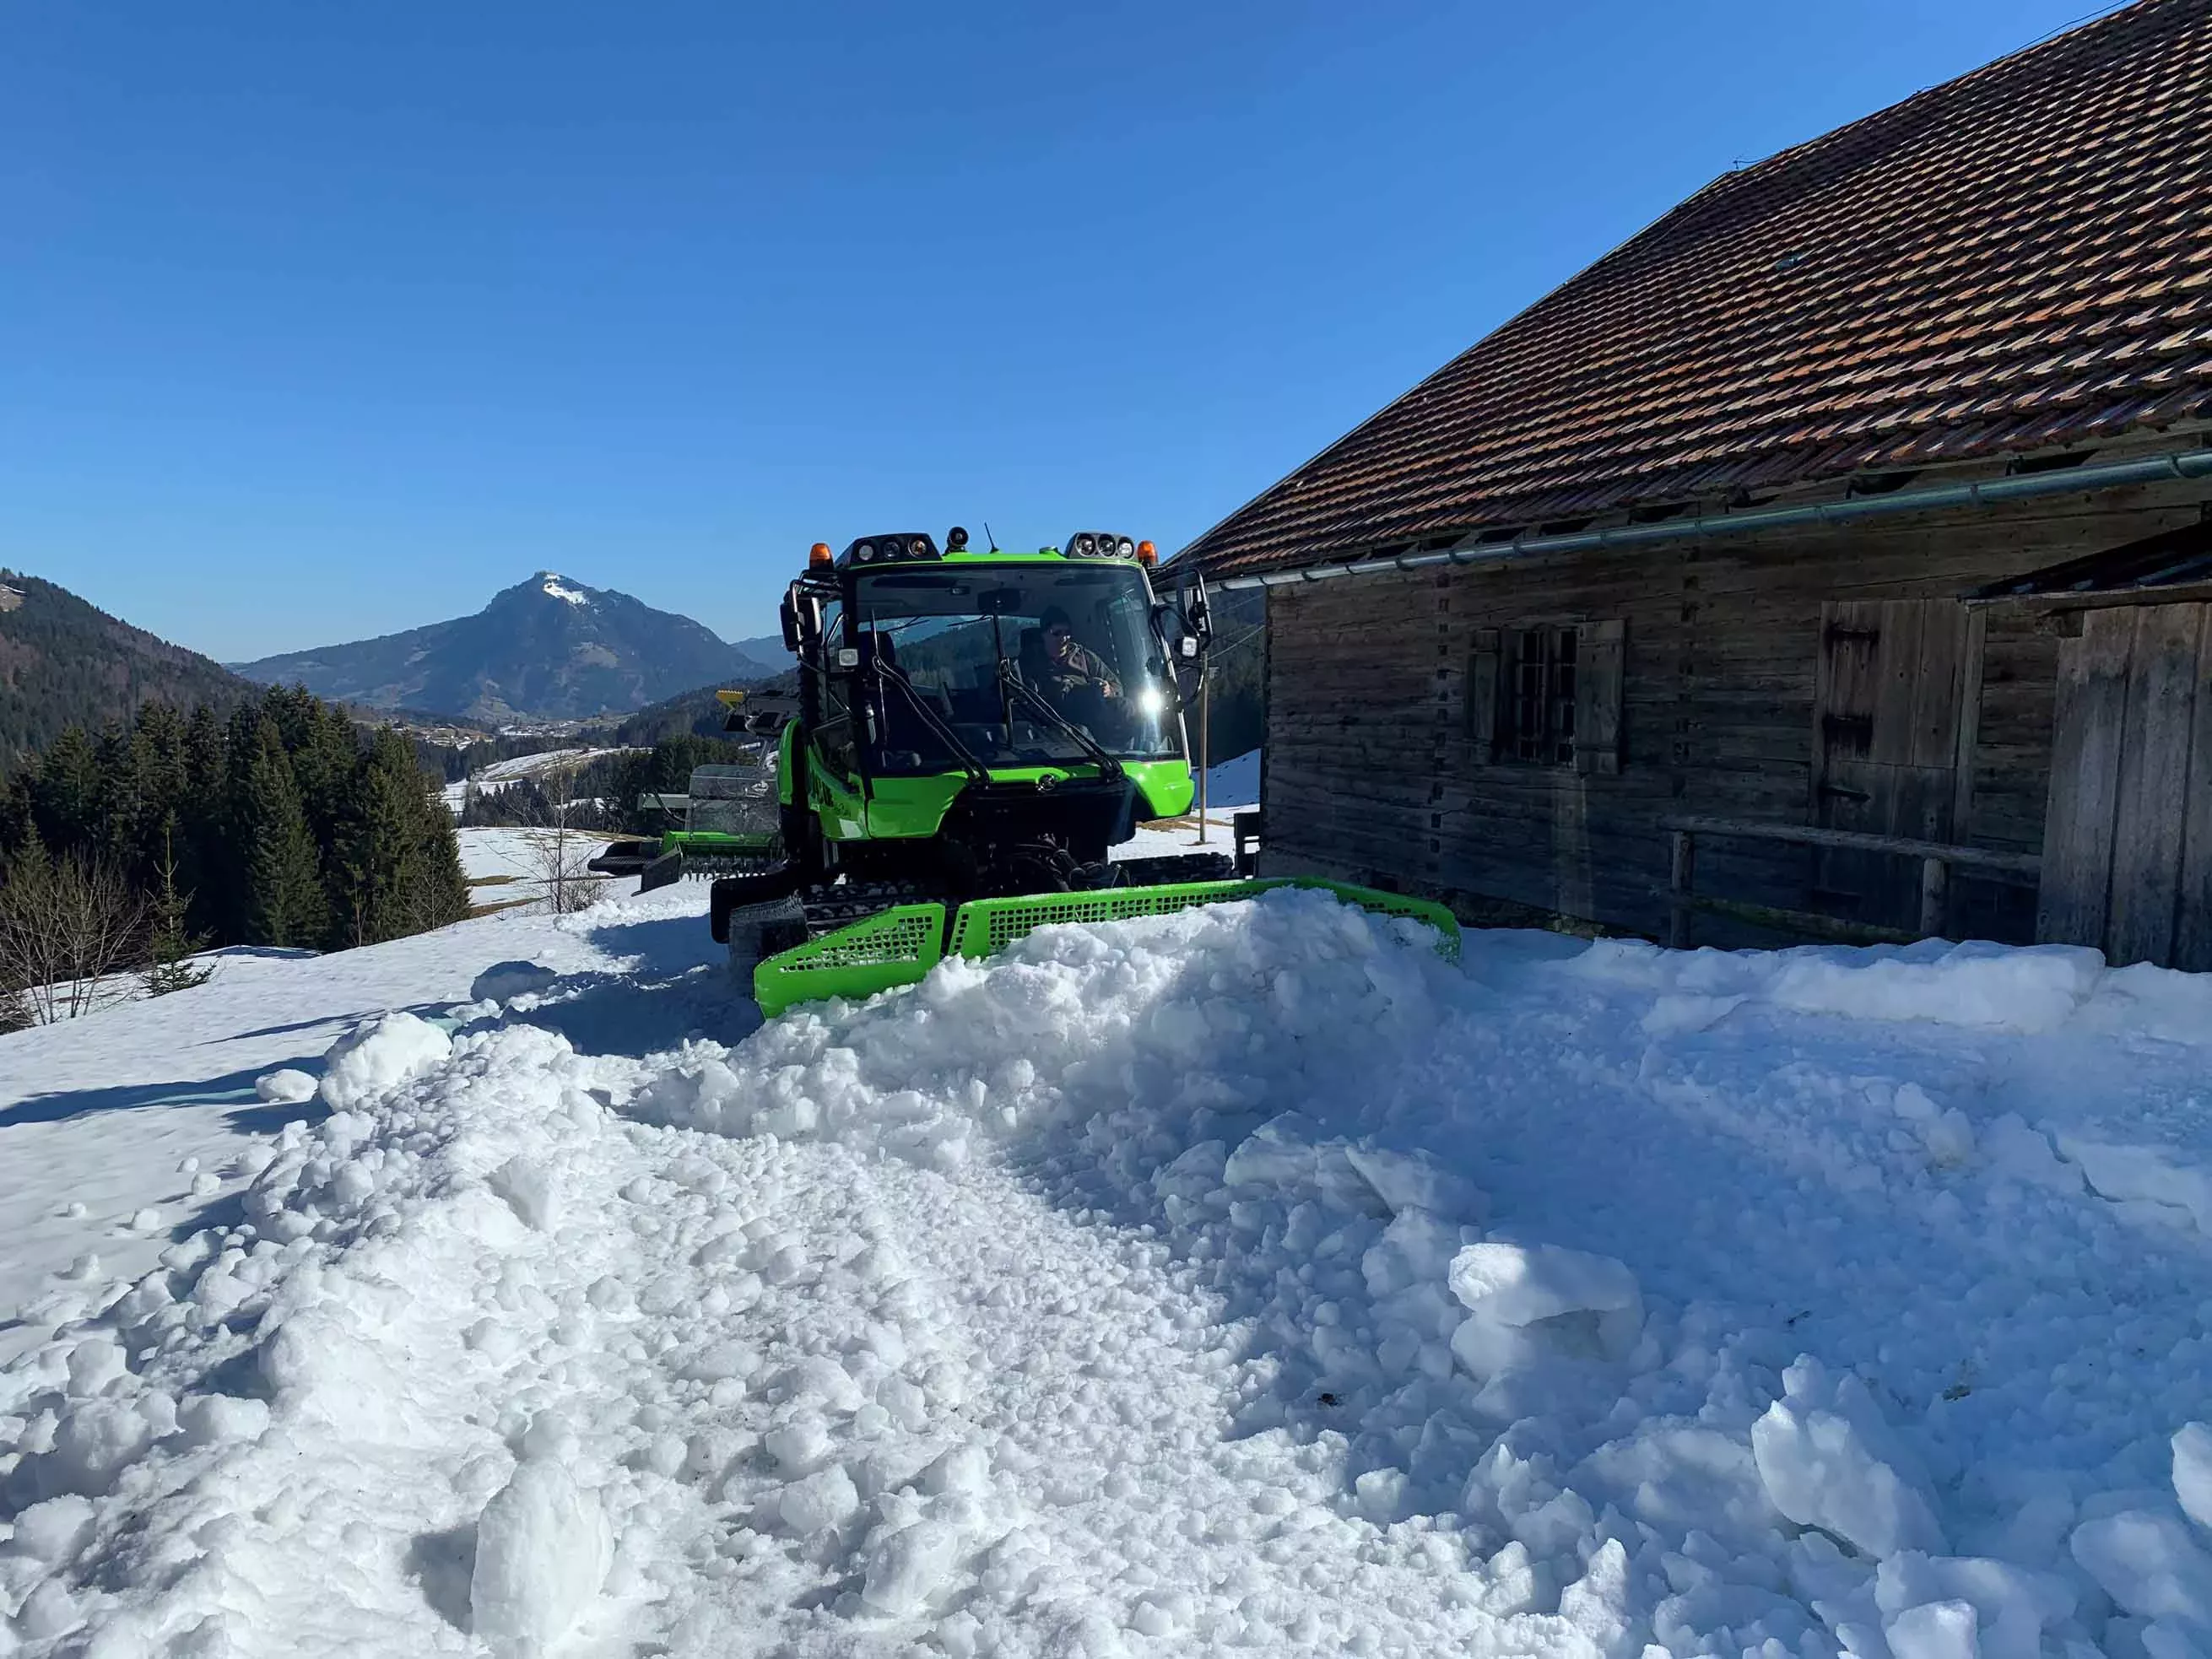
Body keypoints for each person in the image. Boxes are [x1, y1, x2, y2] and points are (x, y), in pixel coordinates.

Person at [1030, 606, 1121, 712]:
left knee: (1126, 706)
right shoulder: (1032, 661)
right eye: (1057, 633)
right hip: (1057, 720)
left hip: (1094, 715)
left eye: (1067, 633)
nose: (1064, 638)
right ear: (1043, 634)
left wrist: (1108, 690)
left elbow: (1117, 686)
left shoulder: (1086, 657)